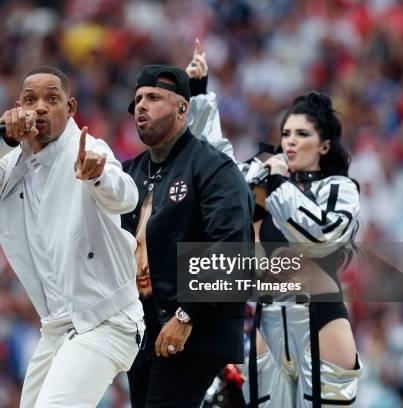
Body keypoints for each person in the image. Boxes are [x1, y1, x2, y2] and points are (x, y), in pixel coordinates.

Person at [0, 66, 145, 408]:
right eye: (30, 100)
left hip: (107, 320)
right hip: (56, 328)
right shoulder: (12, 161)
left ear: (70, 108)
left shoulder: (88, 149)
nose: (39, 107)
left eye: (52, 99)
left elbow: (125, 195)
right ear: (16, 108)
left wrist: (97, 177)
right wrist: (3, 140)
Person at [121, 49, 255, 406]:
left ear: (183, 108)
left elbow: (231, 247)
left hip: (195, 329)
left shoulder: (212, 168)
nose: (141, 107)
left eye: (153, 98)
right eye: (137, 100)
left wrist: (187, 313)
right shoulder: (129, 172)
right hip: (142, 328)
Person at [241, 91, 363, 407]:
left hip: (320, 322)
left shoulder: (339, 188)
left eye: (302, 133)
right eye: (286, 134)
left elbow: (323, 237)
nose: (290, 141)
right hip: (265, 324)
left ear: (324, 145)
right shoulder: (262, 185)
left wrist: (280, 186)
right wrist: (198, 99)